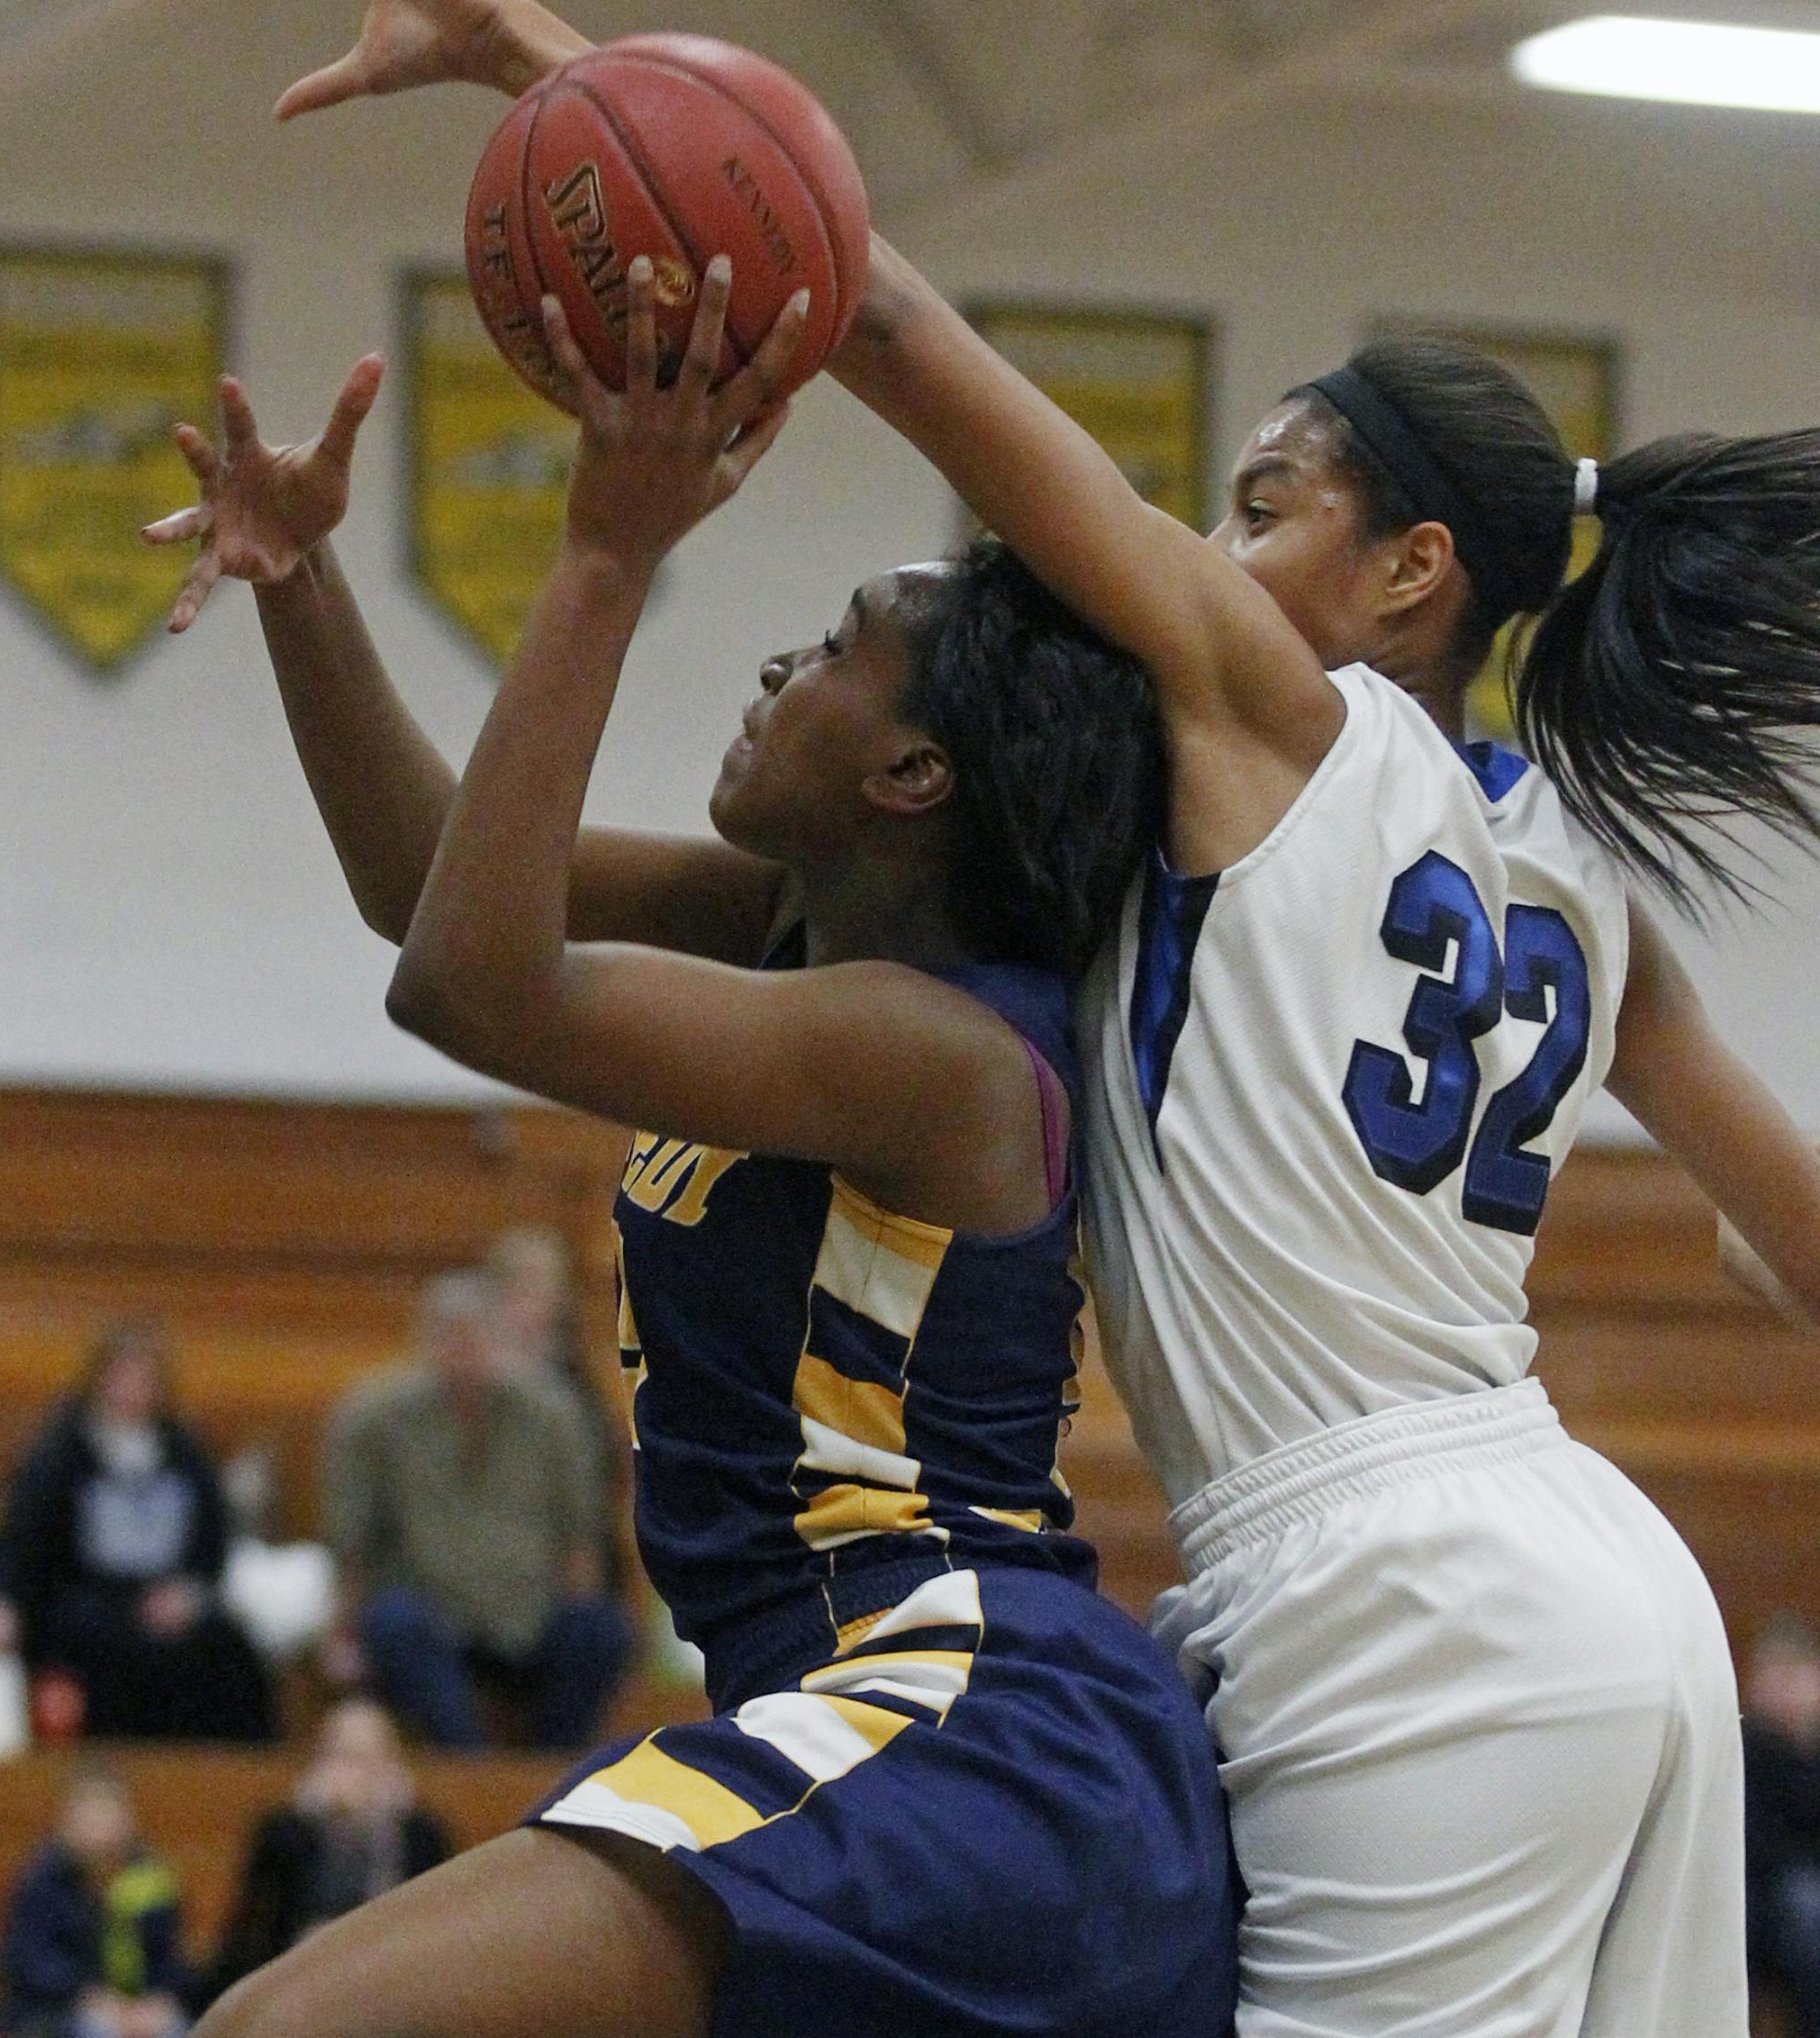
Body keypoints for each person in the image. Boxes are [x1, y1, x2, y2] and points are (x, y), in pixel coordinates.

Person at [261, 8, 1820, 2033]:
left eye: (1264, 508)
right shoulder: (1578, 876)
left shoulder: (1279, 715)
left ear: (1406, 577)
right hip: (1605, 1574)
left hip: (1384, 1590)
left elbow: (881, 315)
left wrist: (546, 66)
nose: (1207, 550)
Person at [147, 250, 1236, 2034]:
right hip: (860, 1710)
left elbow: (471, 992)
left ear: (910, 781)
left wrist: (608, 551)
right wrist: (303, 578)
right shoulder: (799, 927)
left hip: (970, 1718)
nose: (774, 663)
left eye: (832, 655)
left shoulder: (934, 1052)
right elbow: (423, 886)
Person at [320, 1267, 629, 1752]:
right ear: (425, 1343)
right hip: (428, 1617)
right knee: (394, 1625)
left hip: (530, 1614)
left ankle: (550, 1768)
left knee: (600, 1631)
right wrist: (341, 1629)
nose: (464, 1353)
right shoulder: (375, 1419)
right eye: (450, 1338)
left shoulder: (553, 1417)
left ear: (500, 1340)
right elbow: (351, 1539)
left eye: (477, 1337)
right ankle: (472, 1767)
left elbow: (580, 1535)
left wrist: (578, 1597)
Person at [0, 1321, 275, 1743]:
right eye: (120, 1378)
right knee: (89, 1640)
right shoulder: (60, 1455)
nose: (131, 1391)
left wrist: (188, 1593)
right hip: (84, 1603)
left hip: (166, 1602)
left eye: (143, 1380)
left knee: (227, 1649)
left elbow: (211, 1547)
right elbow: (20, 1542)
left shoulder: (185, 1453)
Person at [201, 1698, 452, 2008]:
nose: (354, 1773)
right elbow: (250, 1935)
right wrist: (319, 1827)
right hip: (296, 1984)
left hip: (394, 1984)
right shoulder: (284, 1830)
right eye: (342, 1756)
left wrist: (377, 1830)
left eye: (366, 1758)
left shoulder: (420, 1833)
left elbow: (438, 1933)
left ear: (392, 1763)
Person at [0, 1762, 194, 2038]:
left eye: (107, 1817)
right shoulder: (41, 1882)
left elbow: (169, 1956)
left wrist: (158, 1999)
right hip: (59, 2009)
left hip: (138, 2006)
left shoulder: (152, 1879)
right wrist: (87, 1995)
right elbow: (26, 1961)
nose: (99, 1829)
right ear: (66, 1822)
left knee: (173, 2028)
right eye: (88, 1818)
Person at [484, 1226, 630, 1598]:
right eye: (528, 1284)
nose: (544, 1298)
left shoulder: (575, 1376)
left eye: (550, 1284)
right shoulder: (475, 1375)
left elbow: (598, 1468)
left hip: (559, 1539)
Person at [1745, 1615, 1820, 2037]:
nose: (1786, 1689)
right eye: (1777, 1675)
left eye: (1797, 1675)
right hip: (1761, 1886)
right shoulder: (1746, 1748)